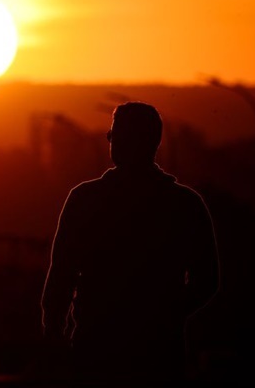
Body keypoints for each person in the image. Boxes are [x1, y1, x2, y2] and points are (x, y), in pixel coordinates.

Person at [40, 102, 220, 386]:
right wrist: (166, 315)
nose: (113, 141)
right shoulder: (184, 204)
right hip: (158, 352)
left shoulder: (85, 200)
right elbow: (206, 281)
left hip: (97, 347)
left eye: (117, 135)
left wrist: (54, 332)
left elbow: (61, 275)